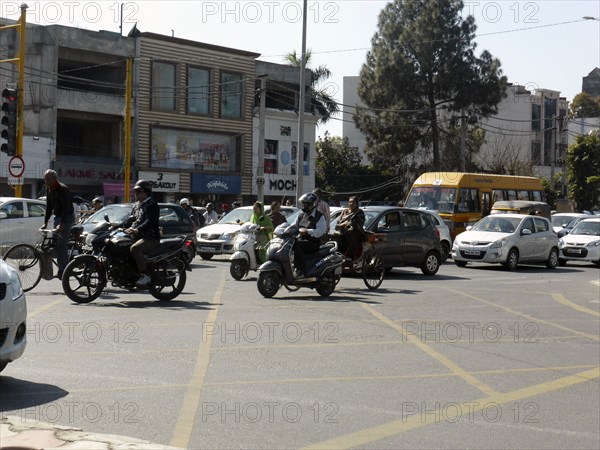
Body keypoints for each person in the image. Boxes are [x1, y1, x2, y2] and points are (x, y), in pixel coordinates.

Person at [123, 180, 161, 287]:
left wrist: (137, 229)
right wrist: (118, 226)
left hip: (150, 237)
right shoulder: (136, 205)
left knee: (135, 248)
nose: (136, 194)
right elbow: (130, 220)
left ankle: (145, 275)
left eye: (138, 191)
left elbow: (150, 221)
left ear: (146, 192)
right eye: (135, 191)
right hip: (136, 236)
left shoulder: (152, 205)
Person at [42, 169, 76, 279]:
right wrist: (45, 223)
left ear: (54, 179)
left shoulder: (63, 189)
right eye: (45, 179)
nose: (46, 181)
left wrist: (62, 224)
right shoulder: (49, 189)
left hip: (67, 217)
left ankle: (64, 270)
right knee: (55, 244)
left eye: (48, 179)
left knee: (61, 244)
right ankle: (63, 265)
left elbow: (66, 208)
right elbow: (49, 208)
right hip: (58, 217)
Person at [292, 192, 327, 277]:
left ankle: (300, 270)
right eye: (302, 203)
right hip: (300, 240)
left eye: (305, 204)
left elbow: (320, 231)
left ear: (312, 204)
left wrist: (307, 231)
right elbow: (293, 225)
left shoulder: (319, 216)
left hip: (313, 243)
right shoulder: (301, 215)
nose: (303, 206)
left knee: (297, 245)